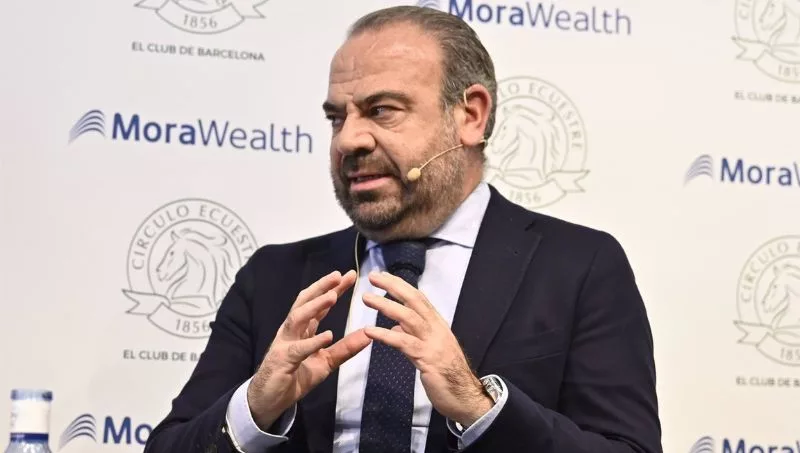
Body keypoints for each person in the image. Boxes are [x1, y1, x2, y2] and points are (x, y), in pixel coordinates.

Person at [143, 5, 662, 453]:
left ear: (471, 116)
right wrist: (256, 407)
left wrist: (480, 407)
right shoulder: (275, 277)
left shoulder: (578, 267)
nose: (349, 140)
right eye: (336, 118)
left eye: (382, 111)